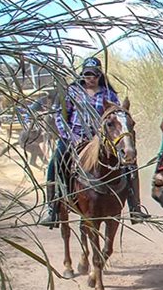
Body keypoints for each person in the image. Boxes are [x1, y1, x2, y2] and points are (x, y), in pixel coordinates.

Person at [40, 57, 151, 227]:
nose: (90, 78)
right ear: (82, 74)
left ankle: (135, 207)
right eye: (87, 74)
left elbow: (117, 116)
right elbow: (61, 118)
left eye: (94, 75)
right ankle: (53, 208)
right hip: (73, 137)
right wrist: (70, 136)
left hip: (100, 139)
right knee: (55, 162)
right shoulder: (72, 92)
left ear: (100, 75)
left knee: (129, 163)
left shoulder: (109, 94)